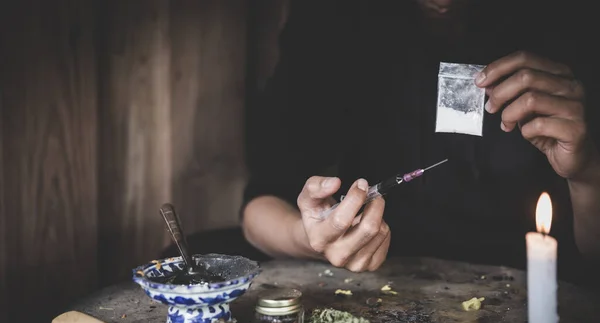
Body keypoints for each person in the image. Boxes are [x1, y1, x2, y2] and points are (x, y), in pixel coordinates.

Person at [167, 0, 600, 285]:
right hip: (376, 269)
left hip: (529, 281)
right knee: (182, 261)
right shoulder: (334, 18)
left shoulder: (573, 22)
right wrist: (316, 237)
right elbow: (260, 207)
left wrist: (586, 174)